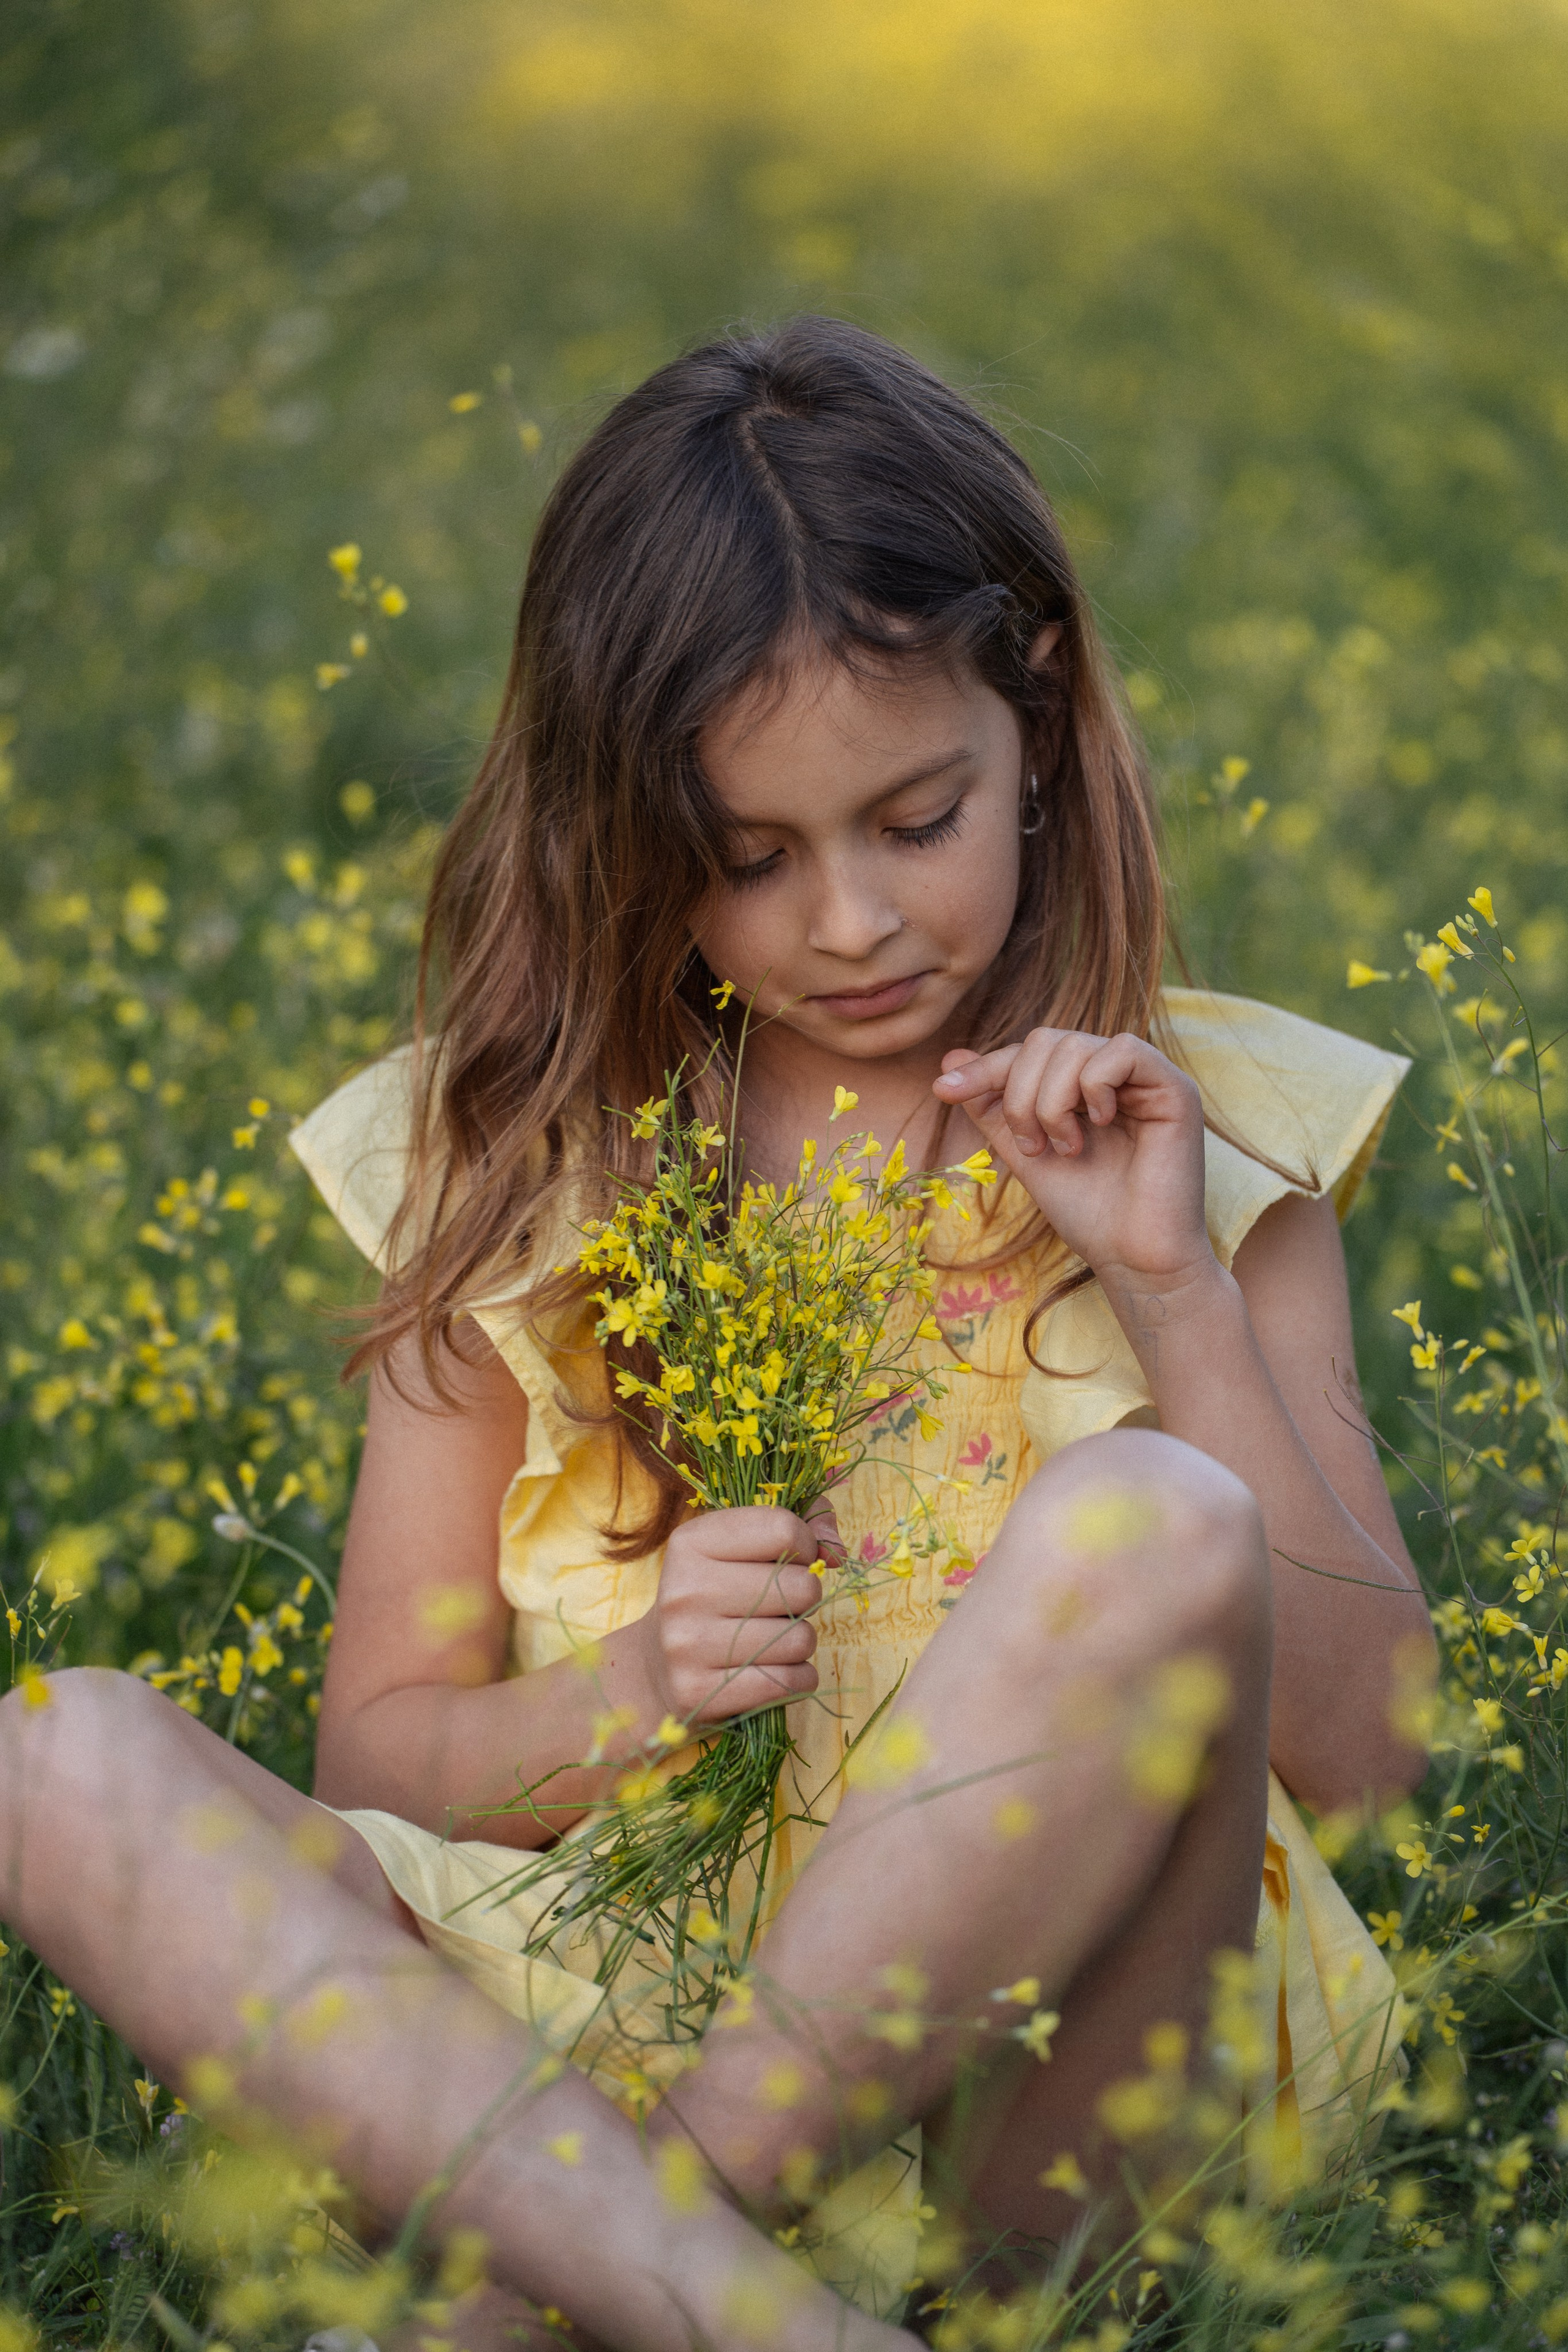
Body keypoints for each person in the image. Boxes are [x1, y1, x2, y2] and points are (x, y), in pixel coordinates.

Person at [0, 316, 1433, 2342]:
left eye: (915, 820)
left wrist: (1169, 1278)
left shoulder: (1201, 1142)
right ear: (616, 835)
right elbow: (387, 1762)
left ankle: (622, 2277)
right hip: (606, 2016)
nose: (847, 923)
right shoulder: (518, 1164)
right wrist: (641, 1691)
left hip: (1059, 2075)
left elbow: (1366, 1755)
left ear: (1037, 712)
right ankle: (741, 2307)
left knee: (1160, 1526)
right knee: (51, 1761)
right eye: (745, 860)